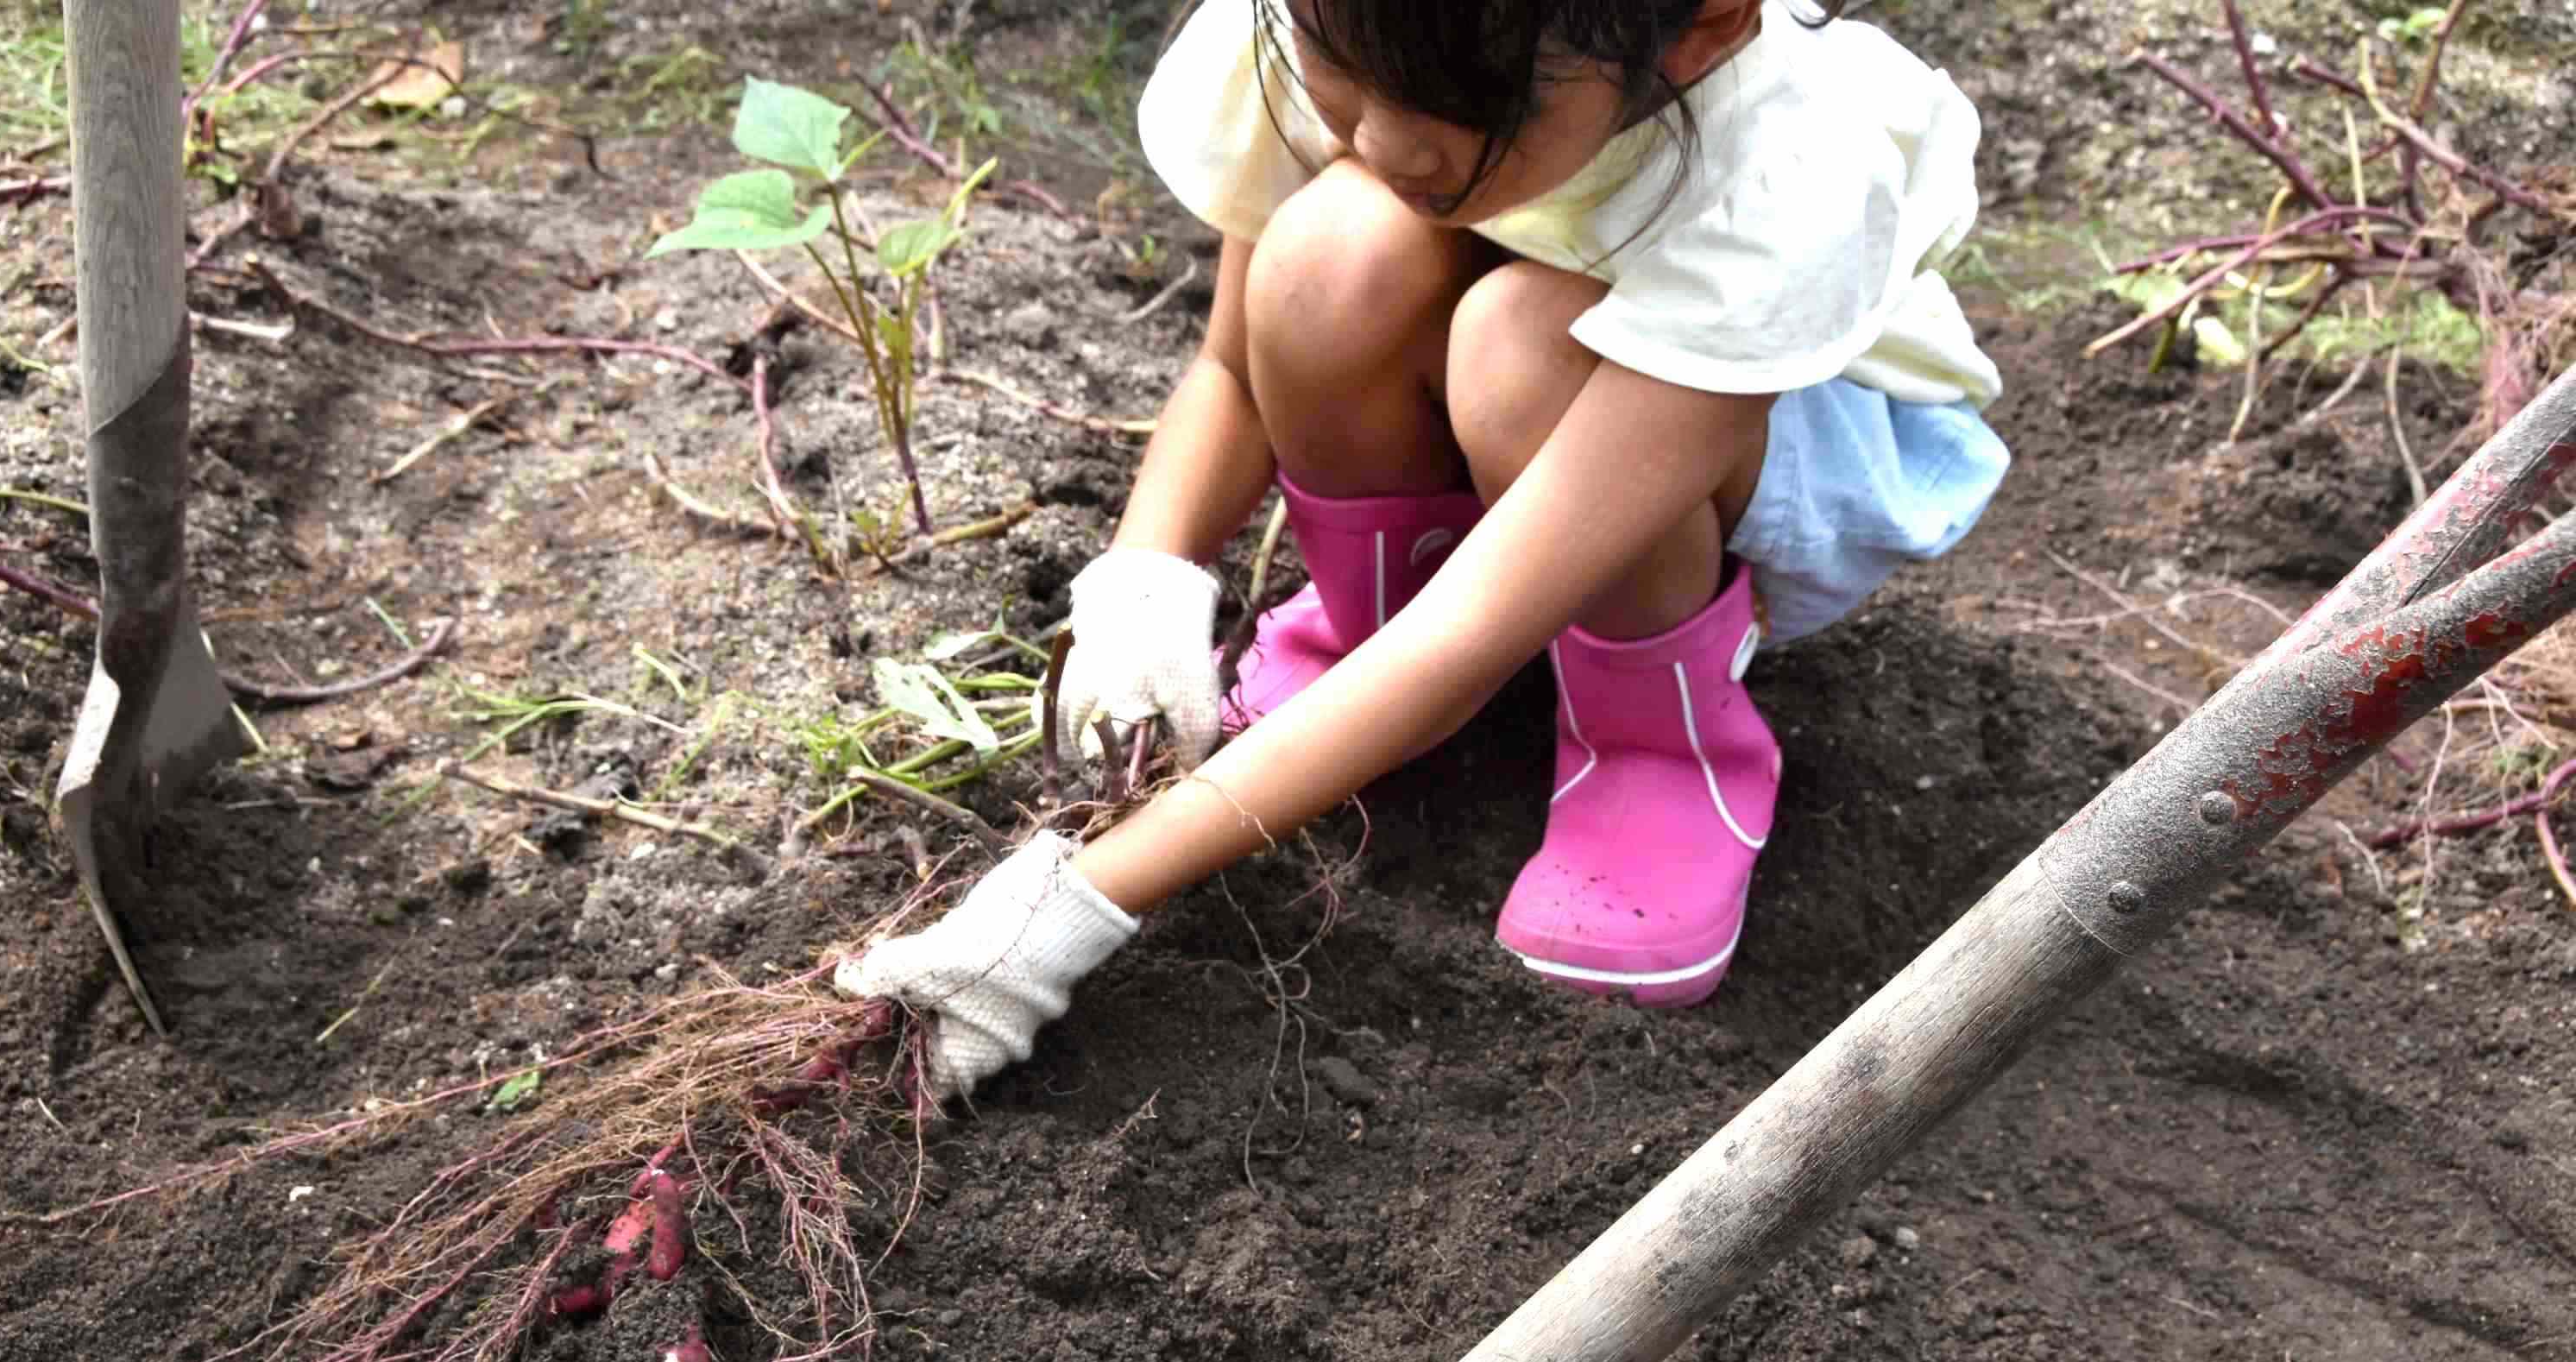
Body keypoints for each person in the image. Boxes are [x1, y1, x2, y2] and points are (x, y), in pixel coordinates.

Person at [837, 0, 2009, 1099]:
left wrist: (1075, 907)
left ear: (1700, 30)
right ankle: (1368, 628)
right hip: (1520, 378)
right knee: (1327, 256)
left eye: (1469, 103)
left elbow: (1472, 633)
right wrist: (1144, 577)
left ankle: (1661, 741)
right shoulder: (1352, 15)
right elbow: (1233, 368)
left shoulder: (1781, 169)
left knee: (1518, 354)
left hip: (1760, 446)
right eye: (1341, 67)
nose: (1385, 141)